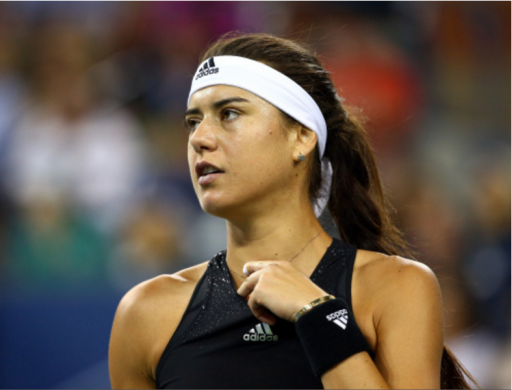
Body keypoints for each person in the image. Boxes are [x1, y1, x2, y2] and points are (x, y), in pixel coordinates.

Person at [109, 32, 476, 389]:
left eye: (230, 113)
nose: (200, 139)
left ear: (301, 137)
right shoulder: (146, 313)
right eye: (193, 121)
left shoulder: (395, 287)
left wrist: (316, 313)